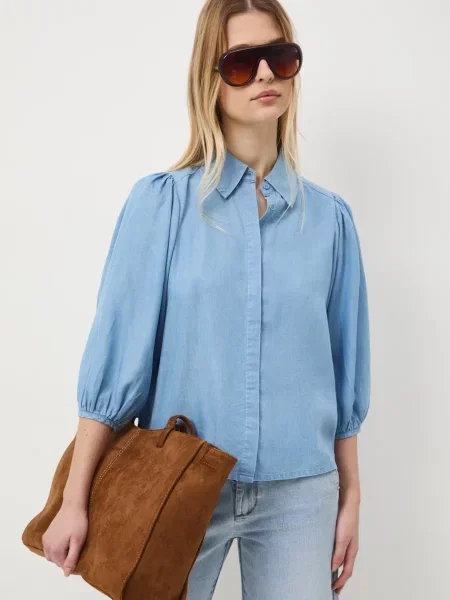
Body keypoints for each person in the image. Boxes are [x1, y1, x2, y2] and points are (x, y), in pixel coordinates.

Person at [42, 1, 371, 598]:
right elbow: (118, 360)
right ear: (209, 80)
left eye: (280, 57)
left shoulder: (330, 220)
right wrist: (74, 499)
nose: (266, 73)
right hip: (176, 484)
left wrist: (351, 497)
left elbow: (345, 370)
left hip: (301, 492)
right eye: (242, 62)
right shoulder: (161, 206)